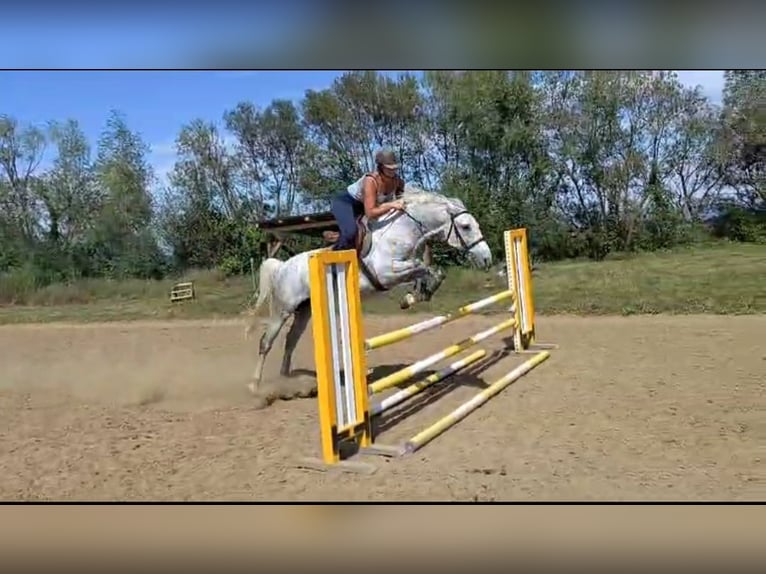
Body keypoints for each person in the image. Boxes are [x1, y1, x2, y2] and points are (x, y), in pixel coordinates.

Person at [330, 148, 406, 251]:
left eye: (395, 168)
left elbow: (400, 204)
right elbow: (370, 212)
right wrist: (391, 205)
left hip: (366, 205)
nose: (393, 171)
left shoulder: (398, 182)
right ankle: (335, 254)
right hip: (346, 203)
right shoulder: (370, 181)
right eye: (389, 168)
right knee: (351, 233)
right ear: (381, 167)